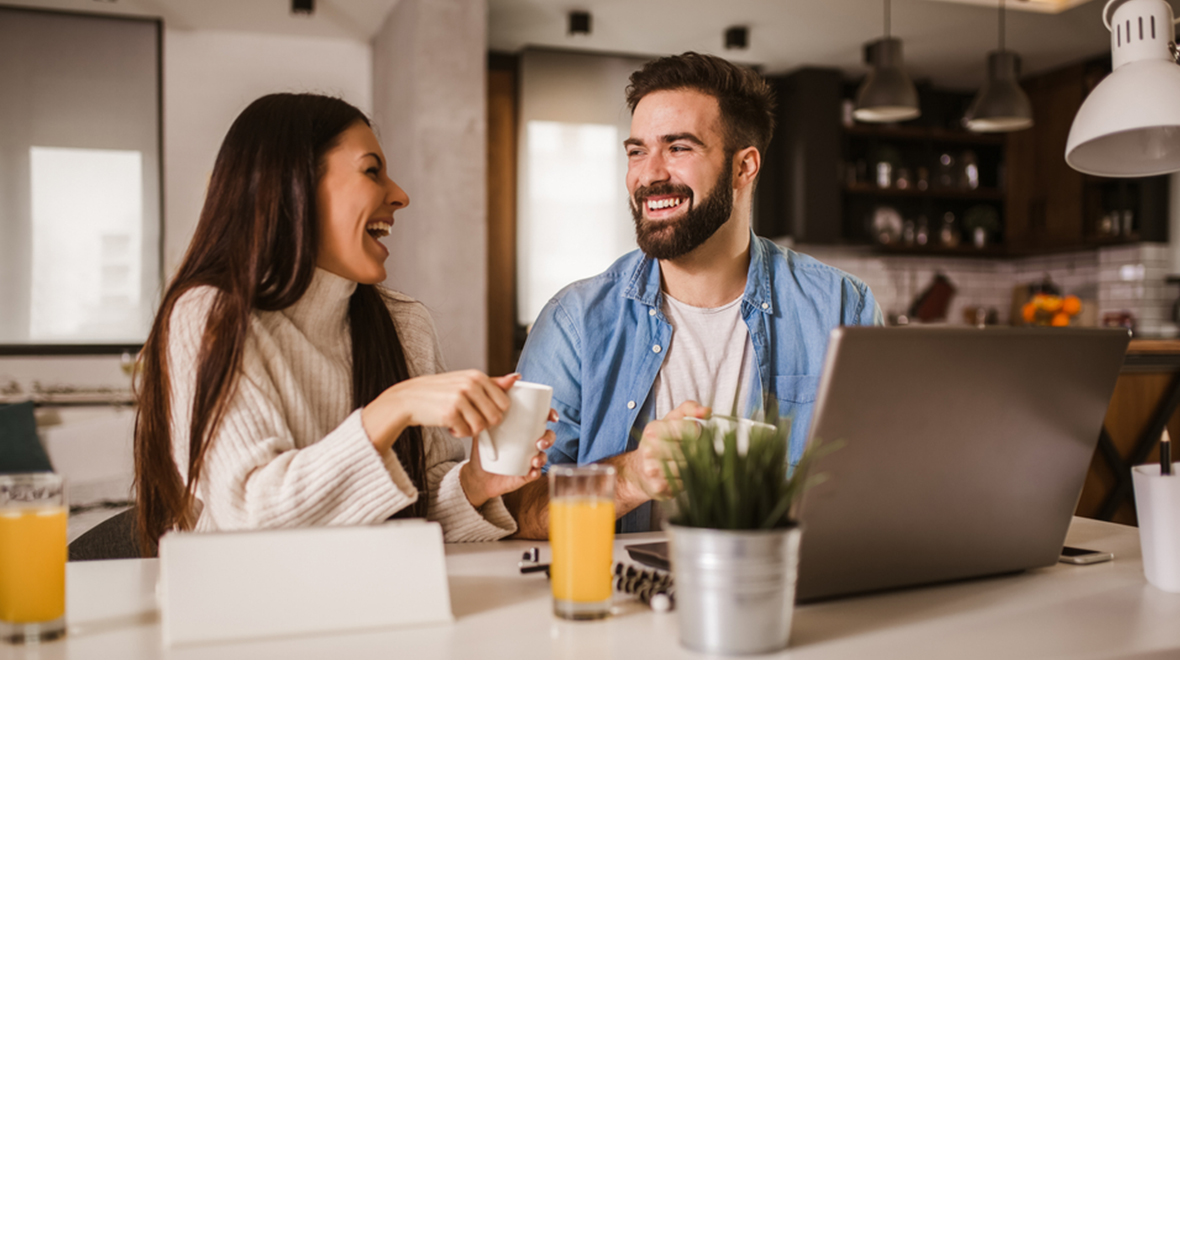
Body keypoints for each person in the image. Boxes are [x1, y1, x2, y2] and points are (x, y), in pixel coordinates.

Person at [134, 93, 552, 551]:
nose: (400, 195)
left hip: (374, 601)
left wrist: (476, 481)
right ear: (293, 184)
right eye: (372, 171)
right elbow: (249, 516)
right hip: (242, 614)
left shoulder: (404, 324)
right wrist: (394, 408)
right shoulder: (210, 315)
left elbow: (409, 514)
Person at [507, 52, 881, 538]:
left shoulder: (840, 307)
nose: (649, 174)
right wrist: (631, 477)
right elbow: (517, 507)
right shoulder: (573, 321)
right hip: (623, 602)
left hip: (780, 589)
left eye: (678, 147)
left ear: (744, 167)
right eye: (637, 151)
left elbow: (877, 482)